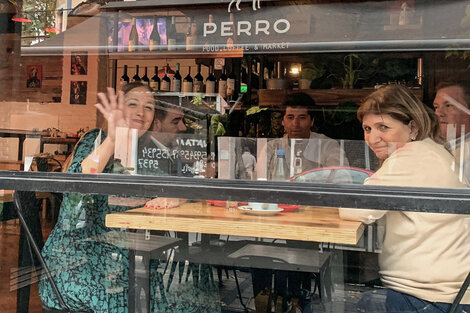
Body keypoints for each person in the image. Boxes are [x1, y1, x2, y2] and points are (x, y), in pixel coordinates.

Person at [340, 84, 470, 313]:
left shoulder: (410, 156)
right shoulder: (429, 150)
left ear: (413, 128)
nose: (373, 138)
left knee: (330, 303)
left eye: (384, 127)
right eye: (367, 128)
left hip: (429, 299)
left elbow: (357, 209)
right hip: (444, 294)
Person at [256, 92, 349, 180]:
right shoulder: (272, 147)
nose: (295, 123)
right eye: (290, 117)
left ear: (312, 121)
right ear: (283, 121)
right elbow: (258, 180)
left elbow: (342, 180)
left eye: (302, 118)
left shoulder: (328, 145)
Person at [433, 80, 470, 183]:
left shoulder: (466, 154)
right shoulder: (444, 144)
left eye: (448, 105)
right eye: (436, 107)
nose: (438, 113)